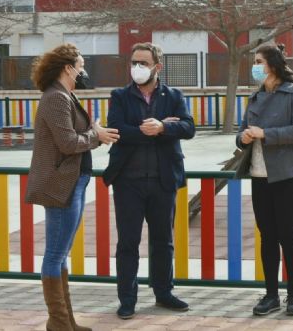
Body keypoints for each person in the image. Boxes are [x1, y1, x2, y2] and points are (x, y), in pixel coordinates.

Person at [26, 44, 120, 331]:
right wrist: (96, 134)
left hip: (71, 183)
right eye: (80, 64)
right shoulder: (56, 97)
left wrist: (93, 132)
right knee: (55, 254)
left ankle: (64, 321)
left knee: (60, 253)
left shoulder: (63, 95)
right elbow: (68, 143)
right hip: (61, 186)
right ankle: (59, 323)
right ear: (68, 68)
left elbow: (72, 137)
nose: (83, 69)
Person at [103, 42, 195, 320]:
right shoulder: (119, 95)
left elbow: (189, 127)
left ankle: (163, 292)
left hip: (163, 180)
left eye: (143, 63)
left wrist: (165, 126)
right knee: (128, 242)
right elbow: (118, 130)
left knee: (163, 241)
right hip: (128, 182)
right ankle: (127, 299)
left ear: (158, 66)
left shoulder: (174, 95)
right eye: (134, 62)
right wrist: (153, 130)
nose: (137, 68)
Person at [235, 43, 293, 316]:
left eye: (259, 61)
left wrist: (263, 133)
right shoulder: (255, 97)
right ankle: (271, 294)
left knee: (287, 235)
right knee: (267, 236)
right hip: (258, 174)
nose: (255, 67)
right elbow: (242, 131)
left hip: (287, 175)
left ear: (273, 65)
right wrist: (243, 136)